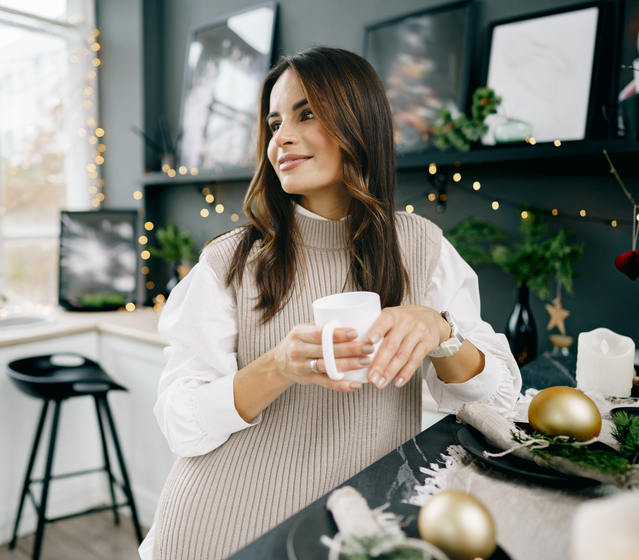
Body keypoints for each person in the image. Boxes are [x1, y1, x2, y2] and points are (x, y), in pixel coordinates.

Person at [139, 46, 521, 560]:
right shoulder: (230, 260)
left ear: (357, 122)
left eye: (306, 114)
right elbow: (180, 423)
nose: (281, 137)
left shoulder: (422, 248)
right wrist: (278, 366)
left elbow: (498, 404)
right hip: (220, 528)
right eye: (274, 123)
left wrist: (441, 330)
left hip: (354, 528)